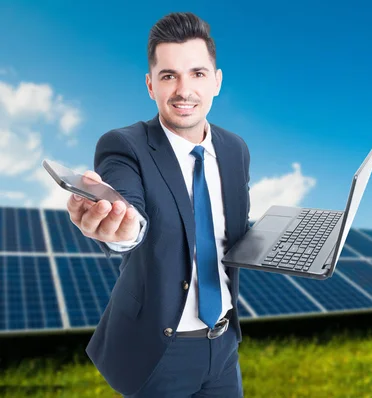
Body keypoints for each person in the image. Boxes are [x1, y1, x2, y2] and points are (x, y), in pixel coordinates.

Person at [66, 12, 249, 397]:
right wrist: (122, 228)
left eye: (197, 74)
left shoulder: (235, 150)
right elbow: (130, 212)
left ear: (216, 81)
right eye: (169, 76)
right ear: (151, 85)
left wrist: (288, 240)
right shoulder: (123, 145)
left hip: (224, 344)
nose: (184, 90)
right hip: (161, 352)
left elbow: (231, 229)